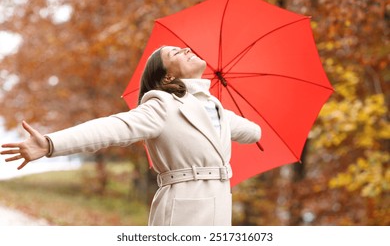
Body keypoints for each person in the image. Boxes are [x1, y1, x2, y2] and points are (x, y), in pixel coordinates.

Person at [1, 46, 261, 226]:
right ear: (168, 75)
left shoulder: (217, 109)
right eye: (175, 52)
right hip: (182, 212)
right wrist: (49, 144)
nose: (186, 50)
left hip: (219, 211)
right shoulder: (161, 105)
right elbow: (111, 128)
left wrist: (230, 113)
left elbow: (254, 132)